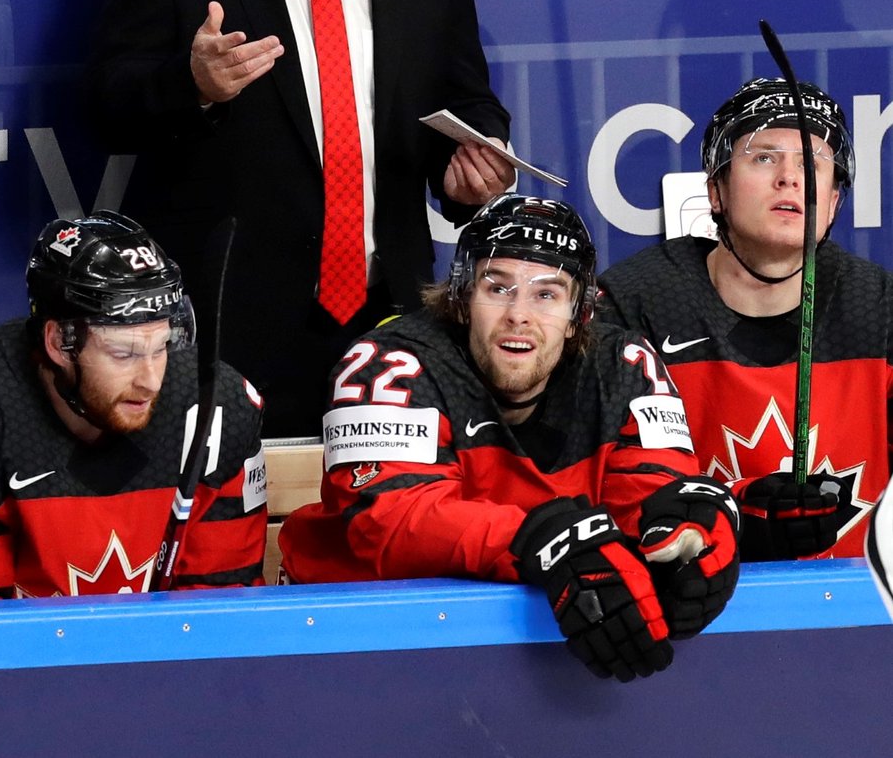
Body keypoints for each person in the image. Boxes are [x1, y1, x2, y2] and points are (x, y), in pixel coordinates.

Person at [86, 0, 513, 437]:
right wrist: (194, 86)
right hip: (231, 328)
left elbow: (462, 99)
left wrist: (472, 170)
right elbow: (107, 108)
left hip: (394, 318)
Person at [279, 195, 739, 682]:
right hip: (350, 638)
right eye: (497, 288)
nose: (519, 314)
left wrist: (694, 525)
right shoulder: (387, 362)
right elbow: (390, 523)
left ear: (580, 312)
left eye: (547, 294)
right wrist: (537, 539)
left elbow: (653, 504)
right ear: (461, 296)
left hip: (535, 645)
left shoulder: (625, 366)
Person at [0, 211, 267, 600]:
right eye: (123, 353)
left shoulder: (219, 410)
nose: (151, 380)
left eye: (161, 347)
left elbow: (223, 618)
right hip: (15, 659)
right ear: (59, 342)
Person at [597, 76, 893, 559]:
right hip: (696, 603)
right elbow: (599, 485)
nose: (790, 177)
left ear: (834, 201)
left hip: (858, 609)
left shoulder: (879, 307)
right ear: (715, 192)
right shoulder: (636, 303)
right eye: (764, 157)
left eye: (812, 161)